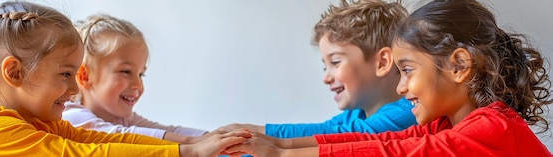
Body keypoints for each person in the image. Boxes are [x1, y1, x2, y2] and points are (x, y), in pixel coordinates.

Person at [225, 0, 552, 156]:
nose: (400, 87)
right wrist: (280, 145)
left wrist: (282, 153)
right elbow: (383, 142)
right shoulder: (442, 125)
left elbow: (398, 153)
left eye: (407, 70)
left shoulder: (495, 126)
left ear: (458, 66)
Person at [0, 1, 249, 156]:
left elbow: (104, 139)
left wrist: (192, 144)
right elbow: (89, 154)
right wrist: (187, 151)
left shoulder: (39, 122)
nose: (75, 87)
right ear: (15, 73)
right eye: (65, 74)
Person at [220, 0, 416, 138]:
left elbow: (333, 136)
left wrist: (252, 131)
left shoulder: (408, 113)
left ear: (382, 63)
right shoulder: (356, 113)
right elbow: (323, 128)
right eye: (325, 66)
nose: (326, 78)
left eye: (335, 62)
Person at [62, 13, 214, 144]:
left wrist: (216, 135)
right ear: (85, 76)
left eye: (141, 74)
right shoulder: (69, 115)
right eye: (126, 72)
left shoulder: (123, 118)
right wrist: (193, 143)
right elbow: (122, 137)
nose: (138, 85)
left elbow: (167, 131)